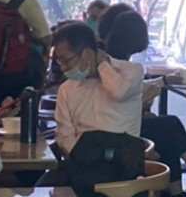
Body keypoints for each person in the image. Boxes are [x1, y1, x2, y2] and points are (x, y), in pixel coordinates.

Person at [102, 7, 186, 197]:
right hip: (117, 130)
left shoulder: (105, 59)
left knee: (167, 133)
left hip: (114, 126)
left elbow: (134, 90)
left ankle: (184, 189)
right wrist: (159, 86)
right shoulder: (119, 65)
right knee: (169, 125)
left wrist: (162, 82)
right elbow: (130, 93)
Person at [51, 20, 142, 155]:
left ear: (87, 54)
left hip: (123, 160)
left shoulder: (131, 71)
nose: (63, 68)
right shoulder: (66, 89)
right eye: (60, 61)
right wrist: (84, 155)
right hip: (83, 159)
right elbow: (64, 135)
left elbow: (119, 92)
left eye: (66, 60)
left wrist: (102, 64)